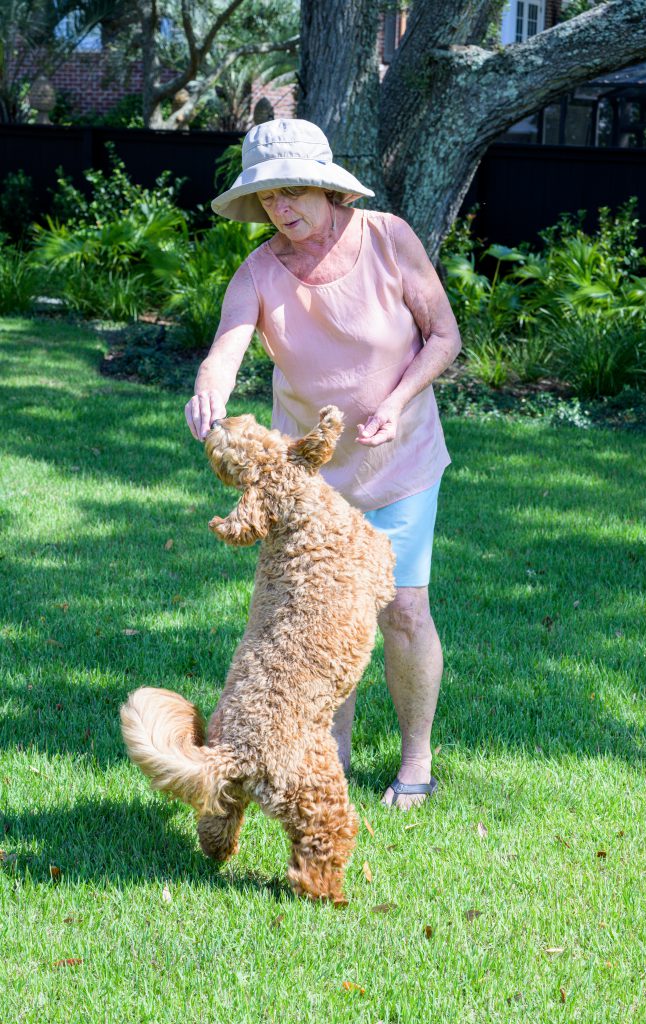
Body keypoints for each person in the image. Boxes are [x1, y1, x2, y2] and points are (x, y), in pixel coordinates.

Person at [185, 119, 461, 810]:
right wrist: (209, 389)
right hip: (311, 482)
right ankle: (330, 755)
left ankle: (415, 760)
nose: (282, 209)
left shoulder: (387, 238)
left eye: (294, 191)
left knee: (401, 609)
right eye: (269, 196)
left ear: (328, 188)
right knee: (317, 616)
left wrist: (398, 400)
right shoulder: (258, 270)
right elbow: (227, 346)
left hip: (399, 457)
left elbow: (443, 337)